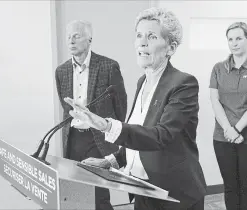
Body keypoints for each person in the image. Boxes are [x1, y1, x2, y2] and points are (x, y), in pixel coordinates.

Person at [64, 8, 207, 210]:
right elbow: (139, 136)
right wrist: (111, 161)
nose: (142, 42)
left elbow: (160, 136)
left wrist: (106, 125)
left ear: (171, 47)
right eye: (139, 35)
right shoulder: (143, 81)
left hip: (174, 194)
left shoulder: (183, 84)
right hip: (144, 190)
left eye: (151, 36)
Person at [55, 20, 127, 210]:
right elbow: (65, 107)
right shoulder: (61, 71)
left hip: (98, 139)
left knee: (98, 196)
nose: (71, 40)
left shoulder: (108, 66)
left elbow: (121, 106)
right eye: (68, 36)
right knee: (75, 194)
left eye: (76, 36)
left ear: (89, 39)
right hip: (73, 139)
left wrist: (112, 134)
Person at [209, 22, 247, 210]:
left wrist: (237, 129)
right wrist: (229, 129)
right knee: (230, 187)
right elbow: (215, 101)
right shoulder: (218, 68)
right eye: (230, 39)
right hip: (223, 137)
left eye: (239, 38)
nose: (234, 43)